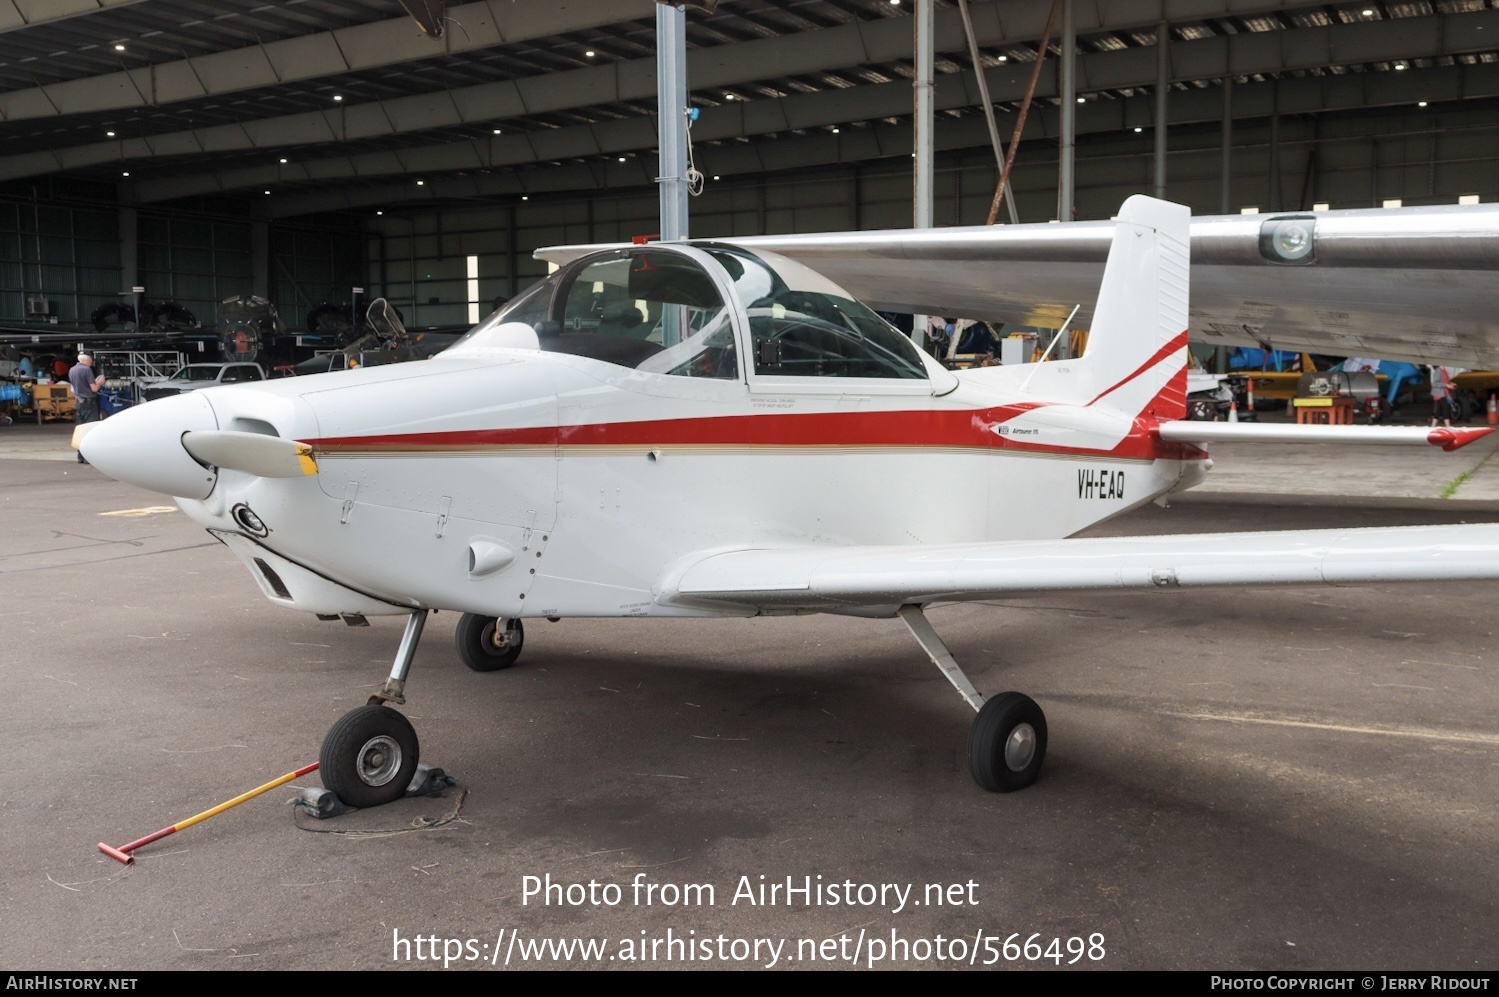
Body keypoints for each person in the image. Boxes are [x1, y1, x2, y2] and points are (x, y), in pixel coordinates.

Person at [68, 353, 105, 464]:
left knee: (81, 429)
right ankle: (89, 457)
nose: (91, 362)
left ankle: (80, 456)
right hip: (89, 402)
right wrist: (99, 382)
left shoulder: (72, 370)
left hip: (79, 402)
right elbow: (93, 388)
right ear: (87, 360)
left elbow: (73, 389)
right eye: (91, 360)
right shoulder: (86, 370)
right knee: (91, 429)